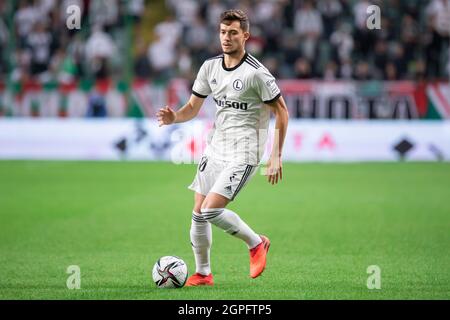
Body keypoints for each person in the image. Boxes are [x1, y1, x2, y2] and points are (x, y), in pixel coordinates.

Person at [156, 9, 289, 286]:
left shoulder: (257, 74)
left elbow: (282, 112)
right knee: (197, 212)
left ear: (245, 36)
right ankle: (203, 273)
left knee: (210, 210)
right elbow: (192, 107)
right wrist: (174, 117)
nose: (226, 38)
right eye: (223, 32)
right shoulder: (210, 67)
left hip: (246, 152)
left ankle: (256, 243)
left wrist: (275, 156)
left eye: (233, 33)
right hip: (216, 148)